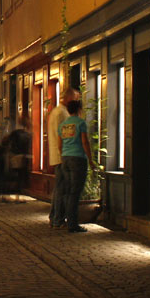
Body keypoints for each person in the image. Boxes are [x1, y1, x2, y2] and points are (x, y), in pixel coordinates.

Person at [56, 97, 94, 233]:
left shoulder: (63, 125)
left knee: (68, 191)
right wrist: (91, 160)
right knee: (75, 192)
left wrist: (63, 156)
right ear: (79, 109)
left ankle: (68, 220)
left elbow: (59, 144)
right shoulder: (80, 123)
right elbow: (85, 142)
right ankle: (72, 224)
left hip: (65, 158)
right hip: (78, 159)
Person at [47, 86, 81, 227]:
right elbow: (65, 136)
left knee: (59, 188)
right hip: (63, 155)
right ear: (68, 98)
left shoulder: (56, 111)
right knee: (62, 188)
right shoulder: (62, 113)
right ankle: (57, 218)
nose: (76, 102)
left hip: (58, 154)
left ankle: (55, 217)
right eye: (75, 99)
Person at [4, 111, 31, 202]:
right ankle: (17, 197)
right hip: (20, 157)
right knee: (20, 177)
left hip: (15, 156)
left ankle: (16, 196)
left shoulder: (16, 133)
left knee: (16, 177)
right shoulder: (25, 134)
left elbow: (7, 141)